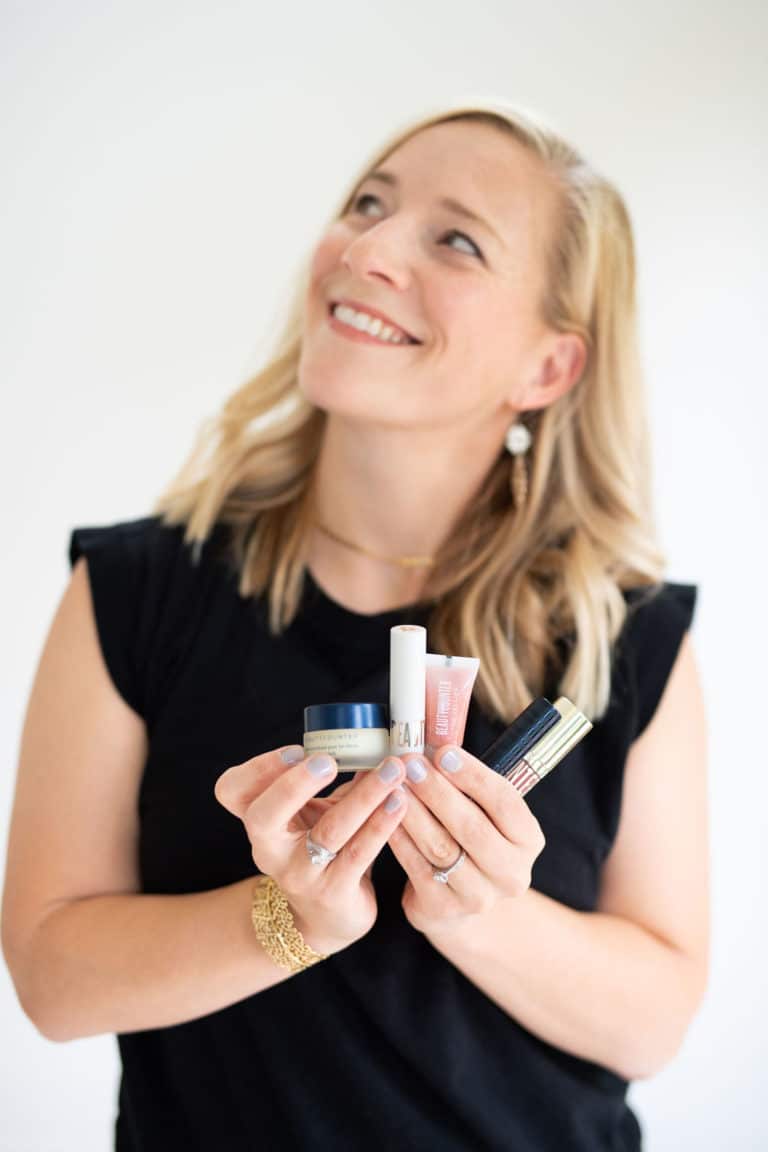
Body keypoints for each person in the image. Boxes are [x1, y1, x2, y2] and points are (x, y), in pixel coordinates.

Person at [1, 99, 708, 1151]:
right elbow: (53, 982)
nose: (365, 250)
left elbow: (654, 1023)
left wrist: (480, 910)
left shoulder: (624, 637)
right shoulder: (134, 589)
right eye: (368, 205)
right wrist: (285, 921)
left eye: (456, 240)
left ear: (548, 369)